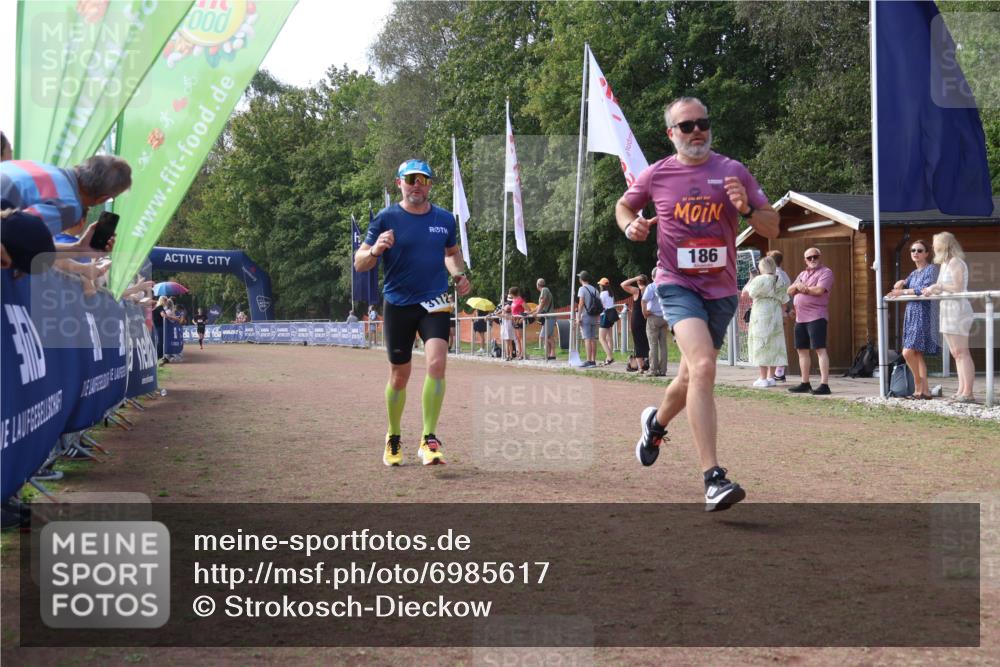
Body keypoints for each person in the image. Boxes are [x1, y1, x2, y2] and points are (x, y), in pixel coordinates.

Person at [616, 96, 779, 511]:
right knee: (705, 366)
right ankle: (713, 478)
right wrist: (630, 225)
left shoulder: (732, 170)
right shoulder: (658, 174)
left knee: (691, 378)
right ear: (671, 134)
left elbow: (772, 224)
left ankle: (655, 424)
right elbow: (624, 206)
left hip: (721, 290)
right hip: (675, 282)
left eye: (702, 123)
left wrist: (745, 209)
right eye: (686, 126)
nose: (696, 131)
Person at [354, 158, 470, 467]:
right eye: (410, 179)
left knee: (437, 362)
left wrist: (458, 274)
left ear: (430, 184)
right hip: (398, 304)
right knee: (399, 375)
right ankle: (393, 436)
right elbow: (360, 262)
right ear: (399, 183)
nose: (416, 184)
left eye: (422, 179)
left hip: (434, 301)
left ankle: (428, 438)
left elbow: (451, 255)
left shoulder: (445, 219)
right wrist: (376, 249)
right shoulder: (385, 218)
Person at [1, 155, 131, 235]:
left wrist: (77, 248)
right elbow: (14, 238)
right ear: (102, 199)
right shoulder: (69, 206)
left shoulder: (38, 166)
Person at [923, 232, 975, 402]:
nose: (933, 248)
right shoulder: (945, 264)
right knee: (955, 352)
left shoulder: (955, 262)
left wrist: (938, 286)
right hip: (947, 309)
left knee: (962, 352)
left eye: (935, 245)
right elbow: (944, 287)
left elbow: (958, 287)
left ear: (943, 246)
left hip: (958, 309)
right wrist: (932, 290)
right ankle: (961, 390)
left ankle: (968, 392)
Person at [888, 239, 939, 400]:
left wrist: (902, 292)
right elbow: (899, 289)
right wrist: (900, 283)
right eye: (913, 251)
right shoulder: (913, 273)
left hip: (923, 313)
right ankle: (924, 391)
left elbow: (922, 290)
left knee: (907, 351)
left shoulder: (931, 269)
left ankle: (917, 384)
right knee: (916, 353)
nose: (915, 253)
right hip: (911, 312)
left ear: (926, 253)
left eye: (919, 250)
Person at [787, 247, 834, 395]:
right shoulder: (802, 273)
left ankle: (824, 384)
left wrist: (803, 288)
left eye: (815, 256)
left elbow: (819, 291)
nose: (813, 260)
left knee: (820, 350)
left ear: (820, 257)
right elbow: (789, 290)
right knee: (802, 350)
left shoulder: (826, 272)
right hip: (800, 318)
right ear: (805, 260)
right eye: (809, 258)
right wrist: (796, 286)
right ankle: (805, 382)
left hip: (816, 316)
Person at [743, 256, 790, 387]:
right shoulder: (779, 279)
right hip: (775, 314)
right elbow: (785, 301)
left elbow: (747, 293)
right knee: (774, 343)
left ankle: (762, 378)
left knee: (761, 344)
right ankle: (771, 377)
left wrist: (751, 279)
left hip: (761, 314)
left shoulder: (759, 279)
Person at [767, 249, 792, 382]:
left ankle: (779, 370)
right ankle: (778, 370)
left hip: (777, 312)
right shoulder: (784, 274)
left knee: (776, 342)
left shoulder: (775, 275)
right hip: (782, 311)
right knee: (778, 341)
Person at [621, 274, 650, 373]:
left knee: (638, 342)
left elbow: (623, 284)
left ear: (638, 281)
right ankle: (649, 363)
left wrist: (634, 278)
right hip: (647, 318)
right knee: (647, 341)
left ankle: (640, 367)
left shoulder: (637, 291)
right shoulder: (649, 290)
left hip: (637, 319)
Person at [642, 268, 668, 376]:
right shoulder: (667, 286)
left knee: (653, 345)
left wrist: (644, 314)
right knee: (663, 345)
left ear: (652, 276)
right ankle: (663, 370)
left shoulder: (651, 287)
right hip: (664, 317)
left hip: (653, 317)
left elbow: (644, 300)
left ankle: (653, 369)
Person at [575, 271, 600, 367]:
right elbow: (599, 304)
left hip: (586, 316)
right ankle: (593, 360)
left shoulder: (582, 289)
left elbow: (581, 303)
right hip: (594, 316)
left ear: (581, 279)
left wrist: (578, 317)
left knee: (587, 339)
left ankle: (588, 360)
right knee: (593, 339)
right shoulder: (595, 289)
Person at [531, 278, 557, 360]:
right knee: (549, 336)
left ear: (537, 285)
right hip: (549, 317)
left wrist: (537, 313)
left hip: (548, 317)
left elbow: (542, 302)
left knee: (543, 336)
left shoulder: (544, 290)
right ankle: (550, 355)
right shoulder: (546, 290)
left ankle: (551, 354)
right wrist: (531, 312)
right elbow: (539, 305)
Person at [597, 277, 618, 365]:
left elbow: (600, 305)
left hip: (605, 315)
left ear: (602, 286)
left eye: (600, 285)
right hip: (612, 314)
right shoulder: (611, 293)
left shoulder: (602, 294)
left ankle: (609, 357)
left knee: (601, 338)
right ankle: (609, 357)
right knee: (609, 337)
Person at [509, 286, 526, 360]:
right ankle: (519, 353)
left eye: (510, 292)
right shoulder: (514, 300)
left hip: (519, 321)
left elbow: (527, 309)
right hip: (514, 321)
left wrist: (522, 317)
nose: (509, 294)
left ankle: (522, 354)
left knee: (520, 338)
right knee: (517, 338)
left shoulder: (520, 300)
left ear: (513, 293)